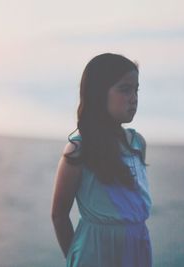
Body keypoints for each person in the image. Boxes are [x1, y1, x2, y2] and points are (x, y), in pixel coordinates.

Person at [51, 53, 152, 267]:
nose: (134, 97)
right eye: (125, 89)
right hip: (94, 253)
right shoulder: (79, 150)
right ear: (98, 94)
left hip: (137, 248)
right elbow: (59, 215)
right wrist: (75, 257)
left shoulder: (137, 144)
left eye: (136, 90)